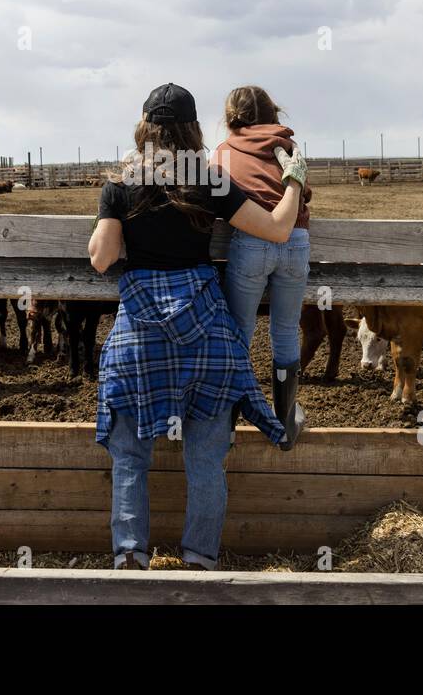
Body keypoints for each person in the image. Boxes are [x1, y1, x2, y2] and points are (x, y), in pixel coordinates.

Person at [88, 82, 308, 571]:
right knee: (206, 460)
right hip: (205, 334)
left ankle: (130, 558)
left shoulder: (121, 185)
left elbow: (102, 260)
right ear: (192, 131)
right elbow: (276, 229)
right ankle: (200, 560)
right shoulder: (209, 180)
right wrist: (293, 179)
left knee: (129, 458)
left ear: (143, 128)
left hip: (141, 336)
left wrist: (113, 206)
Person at [211, 85, 311, 451]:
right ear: (273, 112)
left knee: (240, 333)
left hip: (250, 244)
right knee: (285, 331)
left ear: (230, 117)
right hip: (296, 241)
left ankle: (229, 425)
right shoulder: (289, 147)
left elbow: (216, 195)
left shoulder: (223, 151)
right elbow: (304, 193)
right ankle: (285, 423)